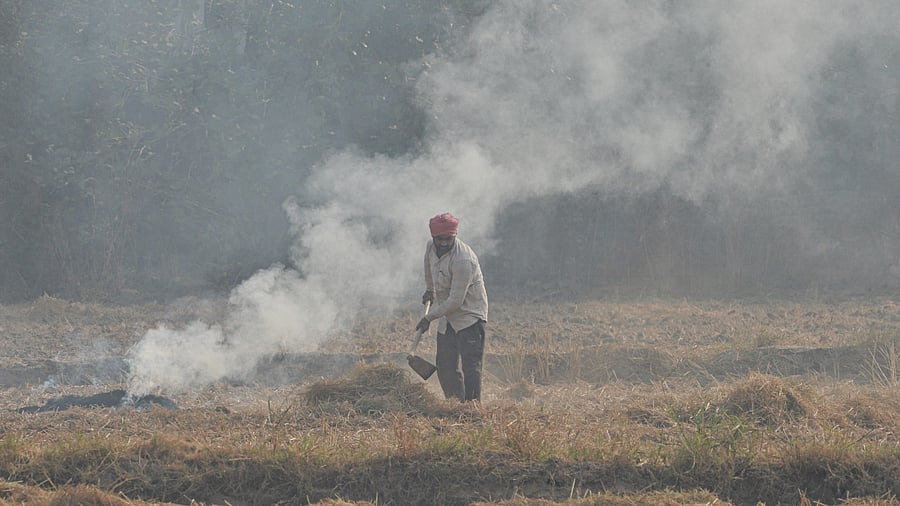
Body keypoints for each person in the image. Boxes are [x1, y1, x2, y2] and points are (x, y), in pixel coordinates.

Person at [416, 212, 489, 402]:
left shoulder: (463, 260)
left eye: (448, 239)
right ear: (434, 237)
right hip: (447, 317)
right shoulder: (430, 247)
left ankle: (471, 409)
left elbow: (456, 300)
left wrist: (428, 318)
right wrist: (430, 289)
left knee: (471, 367)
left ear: (454, 236)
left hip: (469, 317)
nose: (444, 243)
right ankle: (455, 404)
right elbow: (427, 266)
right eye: (440, 239)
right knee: (445, 365)